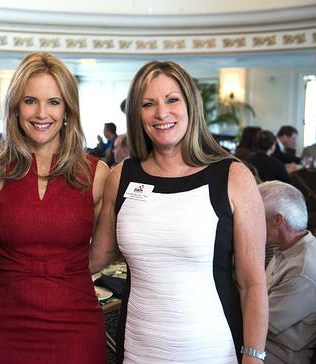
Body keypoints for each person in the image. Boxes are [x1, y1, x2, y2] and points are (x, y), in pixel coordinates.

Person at [90, 60, 268, 363]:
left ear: (191, 105)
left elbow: (252, 283)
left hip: (213, 348)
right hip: (137, 348)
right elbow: (99, 256)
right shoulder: (122, 176)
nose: (162, 113)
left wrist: (253, 356)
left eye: (172, 99)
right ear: (137, 113)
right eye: (148, 104)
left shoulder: (233, 176)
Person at [0, 52, 109, 363]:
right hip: (6, 321)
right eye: (30, 101)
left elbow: (102, 253)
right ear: (16, 108)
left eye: (53, 102)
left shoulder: (97, 173)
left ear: (67, 109)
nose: (41, 113)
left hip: (76, 321)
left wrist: (58, 275)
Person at [258, 181, 316, 364]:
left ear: (278, 220)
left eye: (257, 217)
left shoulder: (303, 269)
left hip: (278, 355)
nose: (251, 223)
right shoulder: (285, 248)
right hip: (264, 344)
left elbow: (259, 322)